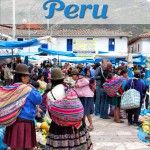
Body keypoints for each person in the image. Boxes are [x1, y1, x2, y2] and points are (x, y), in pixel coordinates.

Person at [45, 68, 92, 150]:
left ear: (51, 80)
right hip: (76, 125)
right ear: (62, 79)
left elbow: (50, 114)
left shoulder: (50, 94)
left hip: (58, 127)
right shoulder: (70, 89)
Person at [4, 64, 42, 150]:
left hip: (12, 120)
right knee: (25, 147)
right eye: (27, 76)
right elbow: (38, 100)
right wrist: (33, 88)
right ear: (22, 77)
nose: (28, 78)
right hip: (25, 122)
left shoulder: (10, 87)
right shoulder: (27, 89)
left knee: (14, 146)